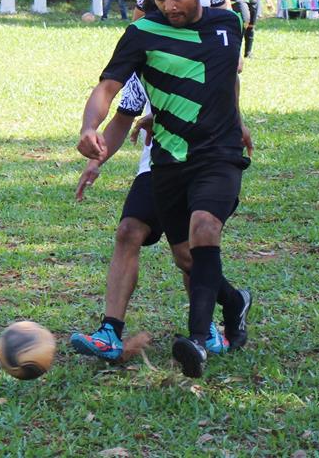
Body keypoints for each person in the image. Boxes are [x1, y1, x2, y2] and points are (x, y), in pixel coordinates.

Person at [78, 0, 252, 378]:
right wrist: (88, 127)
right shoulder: (141, 33)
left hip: (219, 155)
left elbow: (225, 77)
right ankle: (234, 302)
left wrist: (239, 120)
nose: (170, 6)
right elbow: (108, 88)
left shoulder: (228, 25)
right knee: (188, 258)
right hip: (169, 162)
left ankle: (197, 339)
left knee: (205, 229)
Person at [70, 72, 253, 362]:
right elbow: (122, 118)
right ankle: (110, 332)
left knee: (190, 253)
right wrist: (96, 161)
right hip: (159, 162)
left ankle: (213, 318)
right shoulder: (141, 56)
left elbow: (229, 74)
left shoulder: (203, 39)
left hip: (206, 160)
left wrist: (233, 117)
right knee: (129, 230)